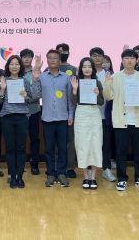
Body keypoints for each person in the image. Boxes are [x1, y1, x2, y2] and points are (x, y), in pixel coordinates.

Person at [103, 49, 139, 192]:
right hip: (121, 120)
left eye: (132, 58)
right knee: (121, 152)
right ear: (122, 60)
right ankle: (122, 179)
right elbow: (108, 97)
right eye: (126, 58)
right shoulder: (115, 77)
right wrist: (107, 84)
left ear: (137, 60)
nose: (129, 60)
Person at [0, 55, 42, 188]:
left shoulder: (24, 80)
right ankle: (12, 177)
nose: (14, 66)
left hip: (22, 117)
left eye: (17, 64)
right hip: (7, 117)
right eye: (12, 64)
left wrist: (26, 96)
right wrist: (3, 89)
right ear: (8, 66)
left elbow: (33, 97)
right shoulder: (3, 80)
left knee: (21, 148)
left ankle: (20, 177)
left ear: (20, 66)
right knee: (10, 148)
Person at [40, 49, 76, 187]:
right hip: (47, 118)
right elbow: (35, 94)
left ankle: (61, 172)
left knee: (62, 148)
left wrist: (71, 115)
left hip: (62, 118)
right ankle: (50, 173)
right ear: (47, 60)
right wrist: (35, 77)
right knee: (49, 148)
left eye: (55, 58)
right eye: (50, 58)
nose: (52, 60)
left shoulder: (66, 78)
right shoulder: (42, 77)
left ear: (60, 60)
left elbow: (70, 99)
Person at [71, 57, 104, 189]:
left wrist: (97, 94)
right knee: (82, 144)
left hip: (94, 114)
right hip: (81, 113)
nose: (87, 69)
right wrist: (74, 90)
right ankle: (86, 177)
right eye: (84, 66)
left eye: (89, 66)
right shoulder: (77, 81)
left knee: (95, 144)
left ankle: (93, 177)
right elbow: (73, 102)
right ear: (81, 68)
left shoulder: (97, 82)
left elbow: (101, 102)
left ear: (93, 69)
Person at [90, 48, 115, 182]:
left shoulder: (109, 74)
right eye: (94, 55)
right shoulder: (86, 73)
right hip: (90, 115)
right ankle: (89, 169)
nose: (97, 58)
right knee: (90, 143)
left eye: (100, 56)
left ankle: (106, 169)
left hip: (105, 115)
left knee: (106, 144)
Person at [56, 43, 78, 178]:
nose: (62, 53)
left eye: (65, 51)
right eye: (60, 51)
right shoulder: (48, 69)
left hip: (71, 110)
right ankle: (56, 166)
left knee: (70, 141)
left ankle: (70, 167)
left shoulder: (74, 69)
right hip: (54, 111)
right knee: (56, 141)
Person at [21, 48, 42, 175]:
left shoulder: (36, 72)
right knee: (20, 139)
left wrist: (28, 98)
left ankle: (34, 164)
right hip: (19, 111)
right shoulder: (16, 71)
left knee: (34, 138)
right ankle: (20, 164)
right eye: (24, 57)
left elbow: (38, 93)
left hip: (33, 110)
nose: (26, 59)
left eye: (29, 57)